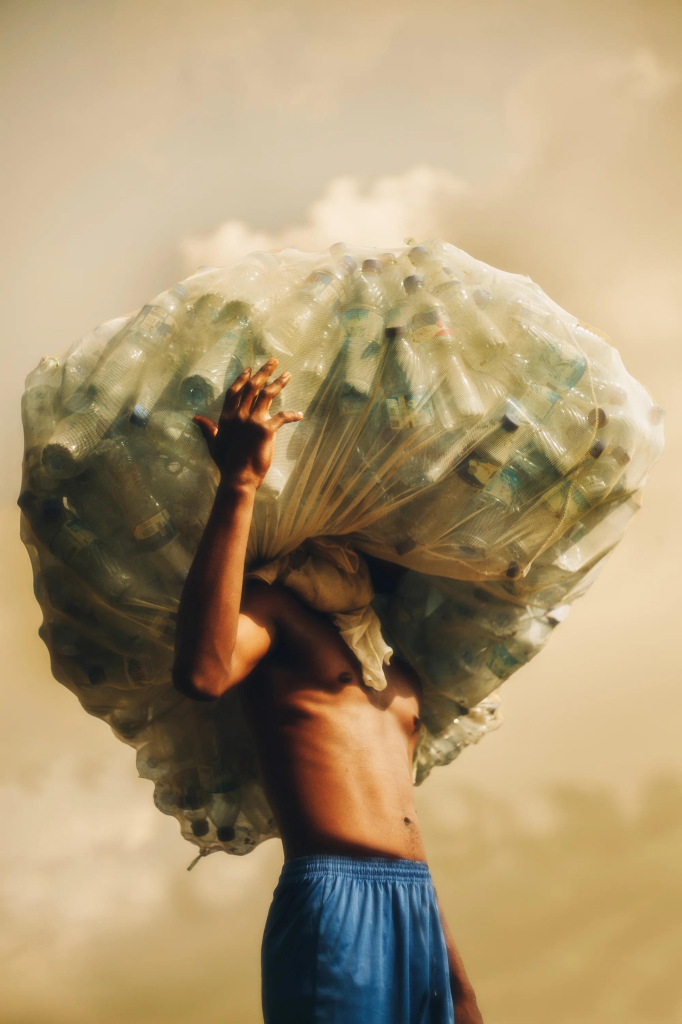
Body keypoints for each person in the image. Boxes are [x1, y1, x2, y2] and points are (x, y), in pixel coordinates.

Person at [172, 357, 484, 1024]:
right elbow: (202, 674)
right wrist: (239, 482)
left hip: (416, 906)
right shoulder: (277, 613)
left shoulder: (397, 671)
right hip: (334, 900)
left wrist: (455, 978)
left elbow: (404, 824)